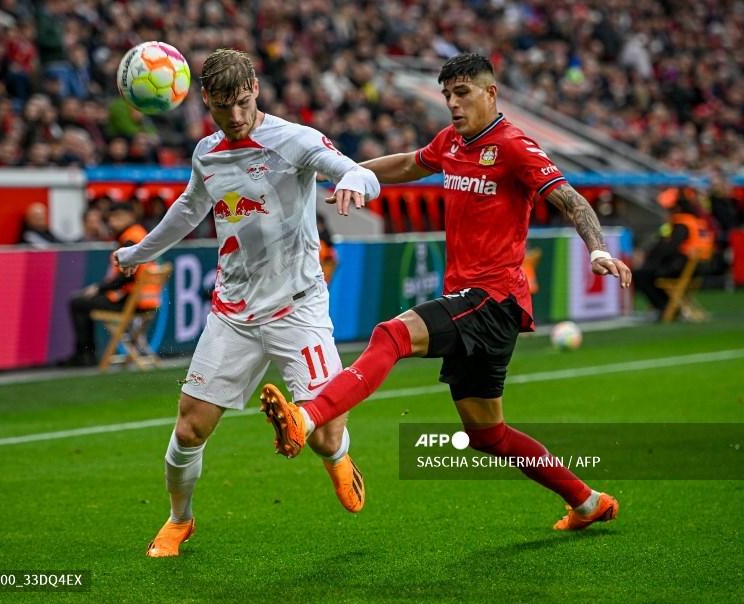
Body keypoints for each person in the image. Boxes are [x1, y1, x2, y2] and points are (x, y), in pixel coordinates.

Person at [261, 53, 632, 531]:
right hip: (475, 304)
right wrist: (344, 170)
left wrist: (597, 249)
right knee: (488, 434)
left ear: (490, 93)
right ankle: (587, 501)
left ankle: (307, 418)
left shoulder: (514, 146)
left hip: (493, 298)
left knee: (392, 335)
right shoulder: (451, 142)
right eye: (447, 95)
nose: (453, 104)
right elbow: (408, 164)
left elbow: (570, 199)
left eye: (463, 94)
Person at [111, 49, 380, 557]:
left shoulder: (293, 139)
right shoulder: (207, 153)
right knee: (189, 426)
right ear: (204, 100)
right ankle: (179, 520)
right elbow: (189, 208)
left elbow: (359, 173)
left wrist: (350, 179)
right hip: (233, 313)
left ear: (255, 88)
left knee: (324, 437)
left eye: (242, 102)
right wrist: (138, 252)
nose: (235, 116)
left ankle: (339, 459)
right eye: (222, 107)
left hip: (297, 308)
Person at [60, 202, 159, 367]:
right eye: (111, 218)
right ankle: (86, 354)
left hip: (132, 302)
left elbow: (126, 277)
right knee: (84, 301)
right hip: (147, 302)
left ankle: (85, 355)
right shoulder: (140, 233)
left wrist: (98, 288)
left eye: (117, 217)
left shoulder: (130, 239)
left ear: (130, 216)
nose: (112, 222)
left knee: (78, 302)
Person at [634, 190, 714, 317]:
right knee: (648, 273)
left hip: (684, 268)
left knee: (642, 275)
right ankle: (670, 306)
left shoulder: (682, 223)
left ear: (676, 208)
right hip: (699, 266)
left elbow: (669, 247)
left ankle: (665, 307)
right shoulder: (695, 221)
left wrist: (650, 258)